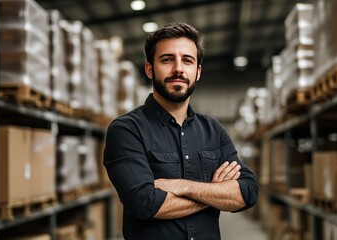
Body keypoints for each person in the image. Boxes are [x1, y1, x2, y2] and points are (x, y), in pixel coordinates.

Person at [103, 22, 258, 240]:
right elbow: (145, 204)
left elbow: (248, 192)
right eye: (167, 59)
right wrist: (215, 192)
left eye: (187, 60)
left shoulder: (213, 130)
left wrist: (180, 186)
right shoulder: (126, 130)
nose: (178, 68)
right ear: (149, 69)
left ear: (198, 72)